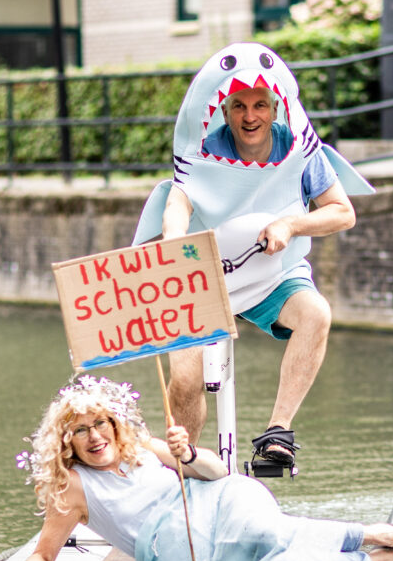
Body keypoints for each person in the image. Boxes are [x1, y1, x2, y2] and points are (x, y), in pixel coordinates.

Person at [7, 376, 393, 561]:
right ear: (67, 442)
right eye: (81, 431)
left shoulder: (141, 446)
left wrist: (189, 454)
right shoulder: (73, 487)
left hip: (219, 504)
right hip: (187, 555)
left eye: (100, 423)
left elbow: (217, 473)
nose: (95, 436)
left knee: (265, 530)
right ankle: (379, 559)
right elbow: (44, 556)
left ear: (114, 424)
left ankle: (373, 533)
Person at [151, 43, 369, 473]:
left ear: (276, 108)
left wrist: (291, 224)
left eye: (260, 105)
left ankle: (277, 435)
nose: (250, 116)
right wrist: (173, 237)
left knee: (315, 314)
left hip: (271, 275)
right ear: (225, 111)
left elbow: (343, 212)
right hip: (205, 280)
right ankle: (176, 475)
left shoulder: (302, 153)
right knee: (187, 379)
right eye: (239, 106)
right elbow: (177, 203)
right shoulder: (204, 153)